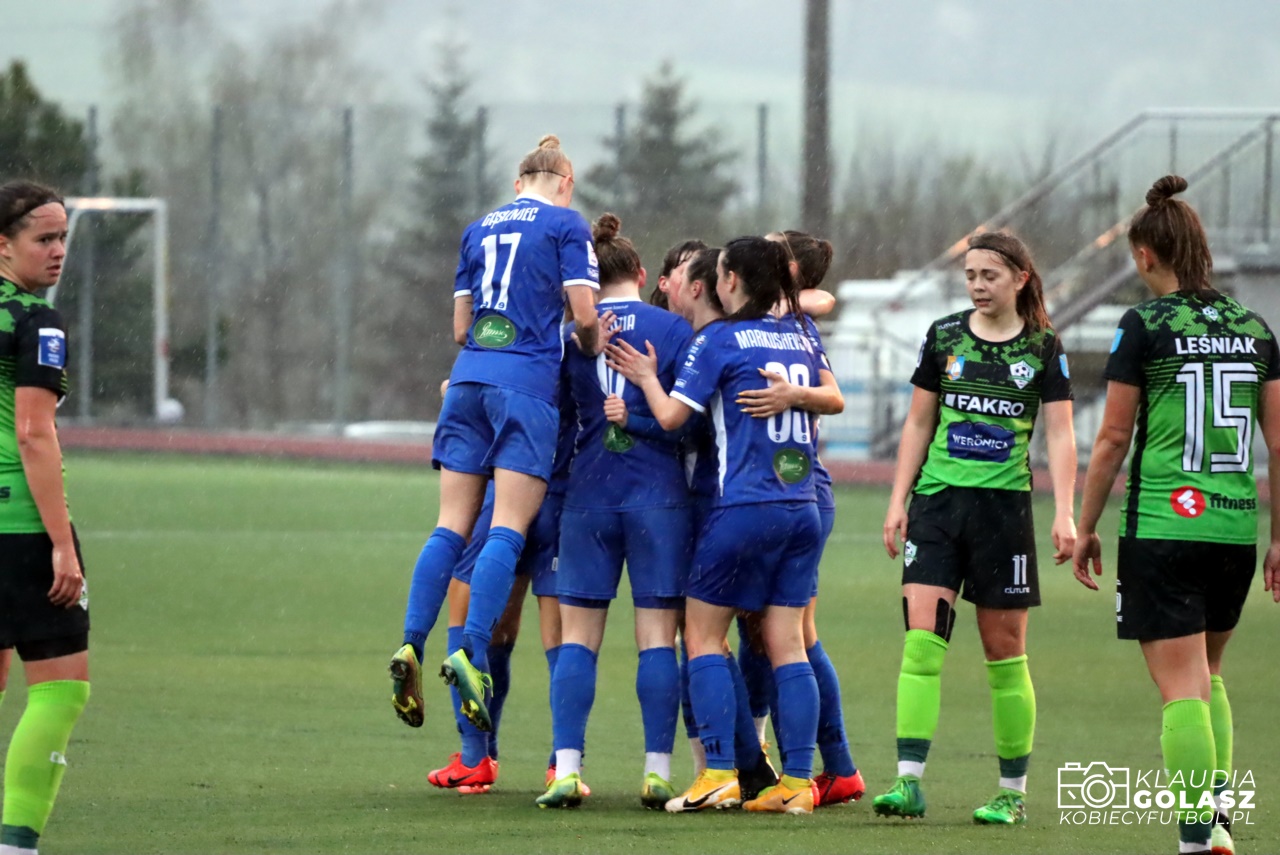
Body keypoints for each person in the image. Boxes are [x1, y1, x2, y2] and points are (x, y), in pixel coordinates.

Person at [1072, 175, 1280, 855]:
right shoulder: (1255, 328)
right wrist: (1279, 538)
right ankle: (1218, 821)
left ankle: (1196, 837)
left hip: (1164, 526)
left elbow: (1112, 438)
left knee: (1180, 688)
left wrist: (1085, 524)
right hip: (1234, 530)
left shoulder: (1145, 325)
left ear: (1144, 255)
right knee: (1208, 674)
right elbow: (1279, 444)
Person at [390, 134, 603, 735]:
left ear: (517, 183)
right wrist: (588, 343)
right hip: (524, 386)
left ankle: (411, 642)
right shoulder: (566, 224)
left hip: (467, 381)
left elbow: (462, 328)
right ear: (565, 184)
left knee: (449, 526)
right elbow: (586, 313)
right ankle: (470, 651)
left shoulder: (476, 229)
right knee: (508, 527)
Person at [609, 236, 827, 815]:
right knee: (788, 645)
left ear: (729, 281)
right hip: (803, 507)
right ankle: (798, 782)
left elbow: (670, 418)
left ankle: (719, 775)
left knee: (702, 636)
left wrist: (647, 377)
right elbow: (830, 396)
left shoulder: (718, 340)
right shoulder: (800, 334)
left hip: (743, 508)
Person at [876, 231, 1076, 825]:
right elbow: (919, 422)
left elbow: (1061, 434)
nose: (978, 286)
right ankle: (908, 782)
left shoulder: (1043, 346)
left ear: (1020, 278)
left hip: (1003, 516)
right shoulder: (944, 336)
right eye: (970, 276)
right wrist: (898, 500)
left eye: (989, 275)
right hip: (937, 508)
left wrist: (1065, 511)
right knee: (921, 646)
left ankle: (1011, 792)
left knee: (1005, 654)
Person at [537, 214, 695, 809]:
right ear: (641, 273)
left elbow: (555, 419)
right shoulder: (673, 328)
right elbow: (691, 425)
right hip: (658, 498)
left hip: (588, 496)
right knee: (656, 639)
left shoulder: (569, 335)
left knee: (578, 639)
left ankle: (566, 768)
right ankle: (656, 771)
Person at [733, 229, 863, 807]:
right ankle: (795, 762)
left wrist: (793, 395)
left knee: (792, 635)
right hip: (788, 492)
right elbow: (819, 298)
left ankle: (823, 766)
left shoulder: (794, 327)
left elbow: (833, 393)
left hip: (793, 492)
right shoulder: (781, 319)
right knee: (770, 633)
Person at [0, 181, 90, 855]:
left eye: (63, 237)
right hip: (21, 529)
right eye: (43, 238)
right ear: (3, 245)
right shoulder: (37, 322)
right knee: (60, 689)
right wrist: (62, 544)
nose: (58, 251)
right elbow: (33, 434)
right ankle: (17, 843)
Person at [648, 240, 706, 311]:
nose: (697, 284)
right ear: (664, 283)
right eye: (687, 273)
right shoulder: (647, 317)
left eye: (702, 274)